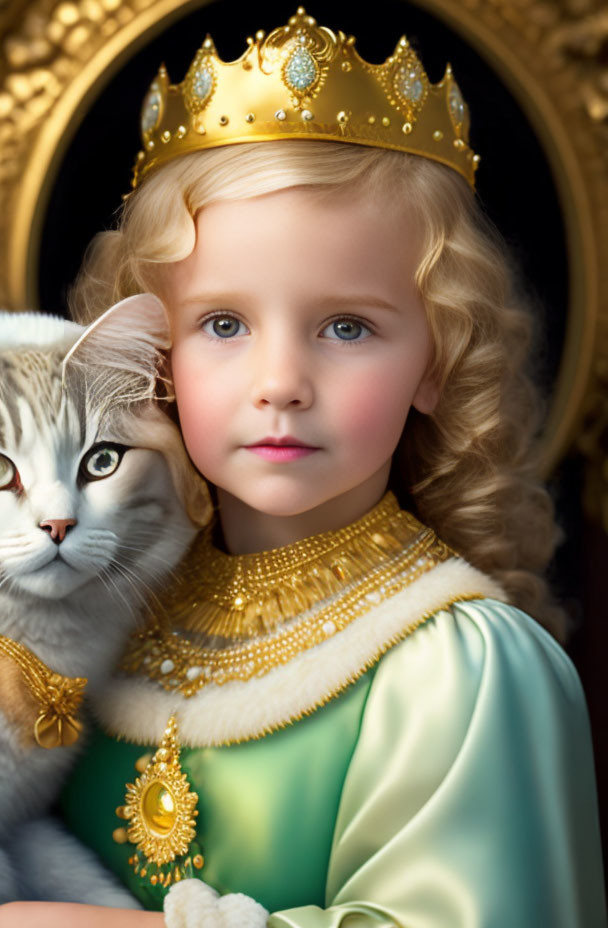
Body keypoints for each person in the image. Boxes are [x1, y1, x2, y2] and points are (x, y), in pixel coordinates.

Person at [2, 7, 606, 927]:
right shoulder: (109, 608)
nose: (281, 383)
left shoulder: (460, 671)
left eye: (347, 327)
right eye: (224, 325)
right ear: (148, 367)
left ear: (434, 363)